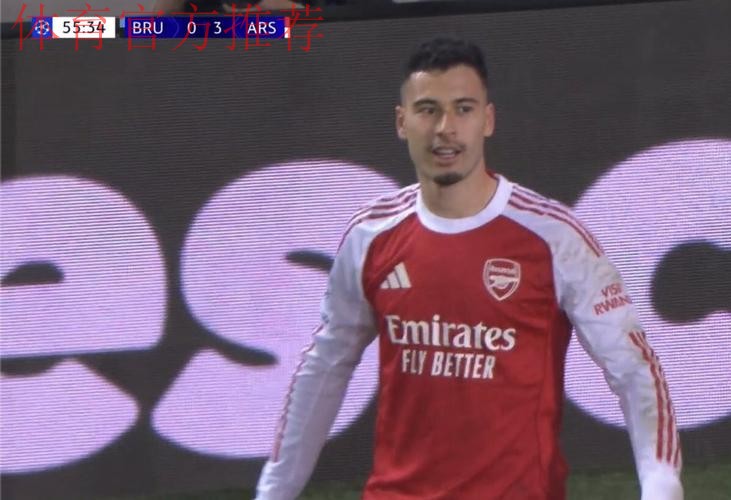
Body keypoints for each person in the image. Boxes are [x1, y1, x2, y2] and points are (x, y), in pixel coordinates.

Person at [255, 36, 683, 500]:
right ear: (401, 122)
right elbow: (324, 367)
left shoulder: (554, 235)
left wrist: (661, 485)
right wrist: (273, 491)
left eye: (463, 109)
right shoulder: (370, 234)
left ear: (488, 120)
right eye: (427, 110)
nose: (446, 128)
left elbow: (635, 369)